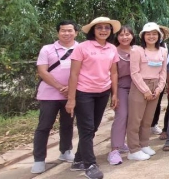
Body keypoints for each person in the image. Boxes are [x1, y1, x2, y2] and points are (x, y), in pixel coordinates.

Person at [65, 17, 121, 179]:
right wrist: (71, 98)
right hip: (84, 93)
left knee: (93, 128)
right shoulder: (82, 48)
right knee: (87, 128)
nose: (103, 30)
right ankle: (90, 164)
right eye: (99, 28)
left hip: (103, 92)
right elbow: (73, 74)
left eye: (107, 28)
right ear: (93, 31)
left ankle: (78, 160)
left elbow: (114, 72)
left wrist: (114, 93)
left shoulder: (112, 48)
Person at [31, 20, 78, 174]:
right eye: (63, 30)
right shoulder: (47, 49)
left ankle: (65, 151)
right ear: (58, 32)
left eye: (70, 30)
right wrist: (59, 87)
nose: (67, 33)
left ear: (76, 33)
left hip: (71, 94)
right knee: (44, 126)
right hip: (49, 95)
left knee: (67, 124)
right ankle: (39, 159)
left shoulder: (80, 48)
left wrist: (70, 90)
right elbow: (42, 71)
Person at [125, 23, 167, 161]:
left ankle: (144, 144)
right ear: (143, 35)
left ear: (159, 36)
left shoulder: (163, 51)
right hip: (140, 86)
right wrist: (145, 90)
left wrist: (160, 88)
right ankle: (134, 149)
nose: (151, 36)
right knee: (135, 119)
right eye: (148, 33)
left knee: (148, 119)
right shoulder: (136, 50)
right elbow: (134, 72)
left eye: (154, 34)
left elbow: (163, 71)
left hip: (156, 86)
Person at [107, 26, 136, 166]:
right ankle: (114, 150)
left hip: (137, 87)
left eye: (127, 34)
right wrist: (114, 94)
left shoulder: (137, 50)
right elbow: (112, 73)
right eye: (121, 35)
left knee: (132, 117)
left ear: (132, 36)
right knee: (121, 115)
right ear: (117, 37)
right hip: (120, 87)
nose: (125, 37)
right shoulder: (113, 50)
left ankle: (124, 143)